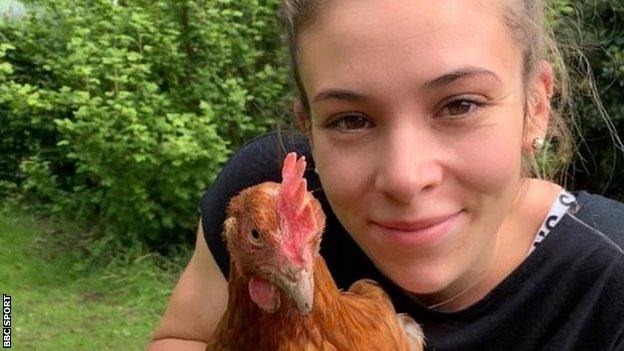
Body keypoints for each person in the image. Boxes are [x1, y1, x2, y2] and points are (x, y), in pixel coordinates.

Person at [149, 1, 624, 350]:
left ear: (535, 108)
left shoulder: (610, 284)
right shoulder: (266, 207)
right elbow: (183, 337)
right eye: (350, 119)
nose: (403, 177)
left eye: (460, 105)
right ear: (308, 129)